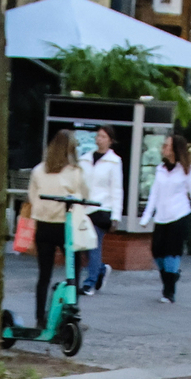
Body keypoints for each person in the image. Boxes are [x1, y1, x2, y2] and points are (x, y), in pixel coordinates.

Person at [25, 129, 89, 324]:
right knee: (73, 271)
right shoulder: (75, 172)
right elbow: (84, 196)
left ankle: (40, 317)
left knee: (44, 274)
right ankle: (71, 313)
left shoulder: (38, 170)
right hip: (65, 225)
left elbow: (31, 197)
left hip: (43, 225)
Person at [140, 133, 191, 305]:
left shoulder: (187, 170)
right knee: (157, 252)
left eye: (167, 146)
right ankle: (172, 276)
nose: (163, 149)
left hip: (179, 215)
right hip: (161, 216)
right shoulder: (160, 168)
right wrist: (146, 216)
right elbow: (154, 194)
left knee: (171, 253)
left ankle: (169, 291)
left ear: (175, 149)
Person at [81, 126, 122, 294]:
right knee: (83, 245)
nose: (99, 139)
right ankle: (101, 269)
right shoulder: (85, 159)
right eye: (98, 136)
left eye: (103, 137)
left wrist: (116, 215)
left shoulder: (114, 161)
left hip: (102, 208)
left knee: (94, 245)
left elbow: (117, 189)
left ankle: (90, 282)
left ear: (110, 140)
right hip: (84, 207)